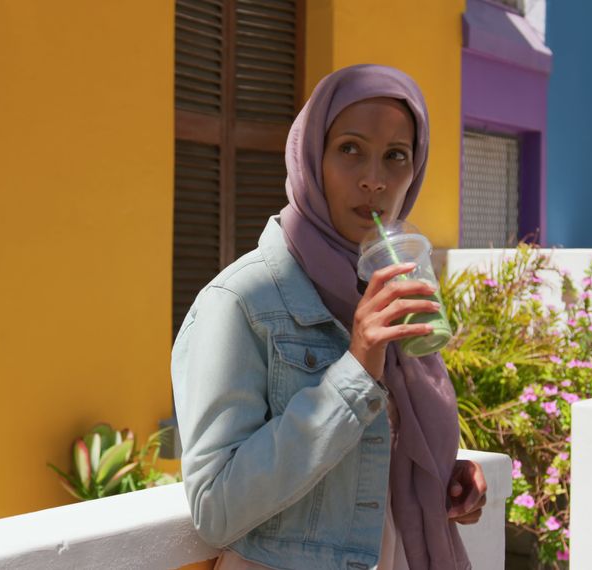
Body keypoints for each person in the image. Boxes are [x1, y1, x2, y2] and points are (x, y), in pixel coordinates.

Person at [171, 64, 487, 570]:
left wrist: (439, 475)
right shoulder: (241, 301)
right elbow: (215, 508)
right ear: (310, 156)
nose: (373, 179)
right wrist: (356, 369)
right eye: (349, 149)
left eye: (395, 157)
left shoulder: (383, 288)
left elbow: (367, 458)